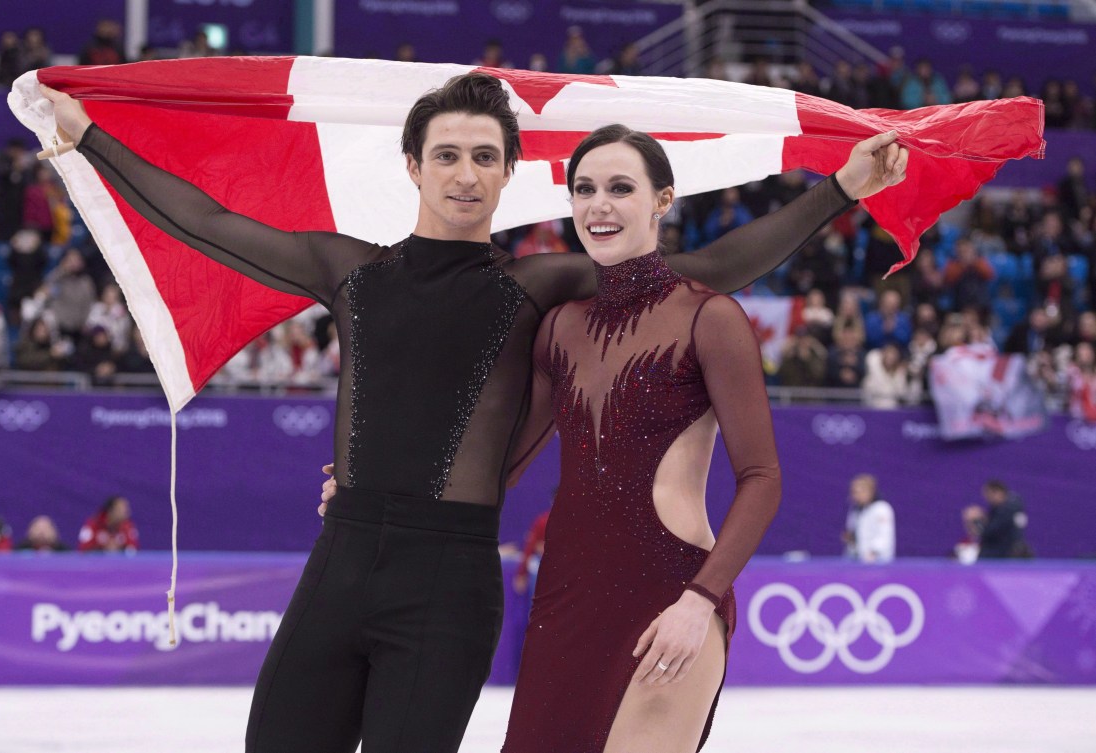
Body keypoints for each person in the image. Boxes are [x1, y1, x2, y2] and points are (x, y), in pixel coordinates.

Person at [45, 72, 905, 753]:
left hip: (448, 584)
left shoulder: (536, 286)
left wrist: (838, 188)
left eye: (484, 157)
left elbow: (707, 268)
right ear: (413, 167)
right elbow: (204, 219)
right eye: (447, 155)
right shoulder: (345, 270)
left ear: (509, 172)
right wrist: (86, 139)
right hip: (340, 559)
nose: (465, 174)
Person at [499, 125, 781, 752]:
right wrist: (368, 483)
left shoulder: (711, 318)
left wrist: (699, 601)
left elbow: (762, 480)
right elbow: (501, 466)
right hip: (564, 602)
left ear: (663, 199)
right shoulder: (558, 330)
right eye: (585, 189)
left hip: (670, 595)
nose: (599, 204)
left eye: (621, 188)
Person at [963, 480, 1031, 559]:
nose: (987, 499)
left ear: (998, 492)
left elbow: (987, 532)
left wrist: (976, 520)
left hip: (1001, 556)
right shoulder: (1007, 506)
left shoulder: (1007, 509)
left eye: (989, 495)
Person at [841, 473, 895, 563]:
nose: (856, 496)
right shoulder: (855, 511)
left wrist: (874, 552)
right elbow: (855, 535)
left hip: (878, 561)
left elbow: (884, 535)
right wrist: (850, 538)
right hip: (859, 560)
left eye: (860, 492)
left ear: (871, 491)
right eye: (854, 492)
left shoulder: (882, 509)